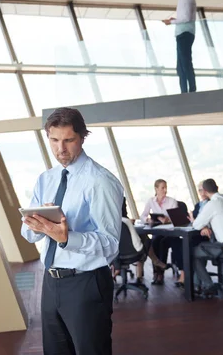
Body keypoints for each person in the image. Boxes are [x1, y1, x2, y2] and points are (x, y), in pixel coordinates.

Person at [21, 107, 123, 355]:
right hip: (51, 282)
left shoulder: (101, 181)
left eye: (69, 140)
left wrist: (66, 237)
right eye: (54, 140)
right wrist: (39, 225)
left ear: (83, 138)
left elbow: (110, 244)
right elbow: (29, 235)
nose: (60, 149)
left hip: (86, 283)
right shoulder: (46, 179)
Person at [191, 178, 223, 296]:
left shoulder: (212, 204)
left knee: (193, 252)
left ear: (205, 190)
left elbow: (196, 225)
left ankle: (208, 285)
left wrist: (198, 223)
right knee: (201, 248)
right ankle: (198, 284)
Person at [116, 198, 166, 284]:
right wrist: (128, 221)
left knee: (141, 239)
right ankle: (155, 261)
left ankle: (139, 276)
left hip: (116, 251)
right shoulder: (121, 201)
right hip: (129, 250)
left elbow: (123, 215)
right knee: (144, 240)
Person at [140, 179, 178, 284]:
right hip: (157, 231)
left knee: (162, 243)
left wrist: (167, 220)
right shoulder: (151, 201)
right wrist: (147, 220)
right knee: (154, 242)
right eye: (162, 188)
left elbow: (177, 218)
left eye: (166, 187)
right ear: (156, 189)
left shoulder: (172, 201)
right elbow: (143, 215)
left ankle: (160, 273)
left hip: (170, 232)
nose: (165, 190)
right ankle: (156, 272)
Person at [163, 0, 197, 94]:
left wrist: (171, 22)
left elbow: (186, 18)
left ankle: (191, 91)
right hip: (182, 33)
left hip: (185, 34)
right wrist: (175, 19)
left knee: (185, 63)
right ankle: (184, 92)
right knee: (180, 67)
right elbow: (184, 17)